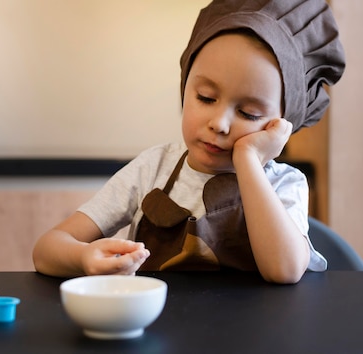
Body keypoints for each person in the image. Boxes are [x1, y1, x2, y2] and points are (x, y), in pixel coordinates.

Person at [32, 0, 345, 284]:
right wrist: (84, 258)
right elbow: (46, 251)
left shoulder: (284, 184)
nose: (219, 124)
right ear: (185, 88)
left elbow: (284, 271)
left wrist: (248, 160)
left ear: (281, 123)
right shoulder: (151, 169)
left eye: (248, 113)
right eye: (206, 98)